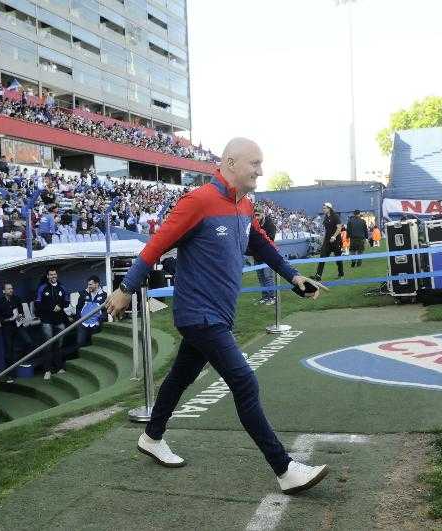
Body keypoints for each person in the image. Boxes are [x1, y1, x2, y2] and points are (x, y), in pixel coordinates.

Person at [105, 137, 330, 495]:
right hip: (198, 315)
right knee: (244, 381)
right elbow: (157, 244)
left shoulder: (244, 206)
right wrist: (126, 288)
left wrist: (293, 275)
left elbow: (259, 244)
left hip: (218, 316)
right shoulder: (198, 201)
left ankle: (152, 436)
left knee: (180, 377)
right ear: (229, 163)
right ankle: (285, 469)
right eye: (254, 163)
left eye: (261, 163)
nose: (260, 170)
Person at [0, 283, 35, 383]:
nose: (11, 290)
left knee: (28, 341)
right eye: (8, 289)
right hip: (7, 328)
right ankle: (10, 375)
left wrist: (19, 317)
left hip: (18, 325)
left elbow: (21, 312)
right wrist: (9, 319)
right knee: (8, 351)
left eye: (12, 288)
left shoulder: (17, 299)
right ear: (3, 291)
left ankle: (23, 360)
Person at [35, 267, 70, 380]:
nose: (53, 276)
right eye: (51, 275)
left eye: (55, 274)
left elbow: (67, 301)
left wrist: (60, 306)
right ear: (47, 276)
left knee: (59, 345)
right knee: (48, 346)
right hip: (46, 321)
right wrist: (50, 307)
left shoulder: (62, 287)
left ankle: (59, 368)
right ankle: (47, 370)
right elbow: (38, 304)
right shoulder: (42, 288)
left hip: (59, 320)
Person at [312, 202, 344, 281]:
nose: (323, 210)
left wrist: (334, 236)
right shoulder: (326, 217)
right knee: (322, 257)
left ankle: (341, 274)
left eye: (324, 208)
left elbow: (339, 228)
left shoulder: (335, 216)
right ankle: (318, 276)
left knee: (338, 258)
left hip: (336, 241)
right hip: (327, 241)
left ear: (329, 208)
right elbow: (326, 230)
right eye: (323, 208)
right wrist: (323, 240)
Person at [76, 275, 108, 348]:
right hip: (83, 324)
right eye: (88, 284)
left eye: (90, 284)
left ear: (97, 284)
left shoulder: (104, 295)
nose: (88, 286)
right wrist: (79, 320)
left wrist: (99, 321)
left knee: (95, 345)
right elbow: (78, 308)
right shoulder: (83, 294)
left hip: (95, 325)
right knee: (80, 342)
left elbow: (105, 311)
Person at [253, 207, 276, 305]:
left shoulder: (270, 224)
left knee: (268, 276)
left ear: (263, 214)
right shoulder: (253, 224)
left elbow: (270, 239)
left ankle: (273, 297)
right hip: (257, 255)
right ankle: (265, 297)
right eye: (255, 215)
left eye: (258, 215)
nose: (256, 217)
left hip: (267, 255)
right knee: (261, 277)